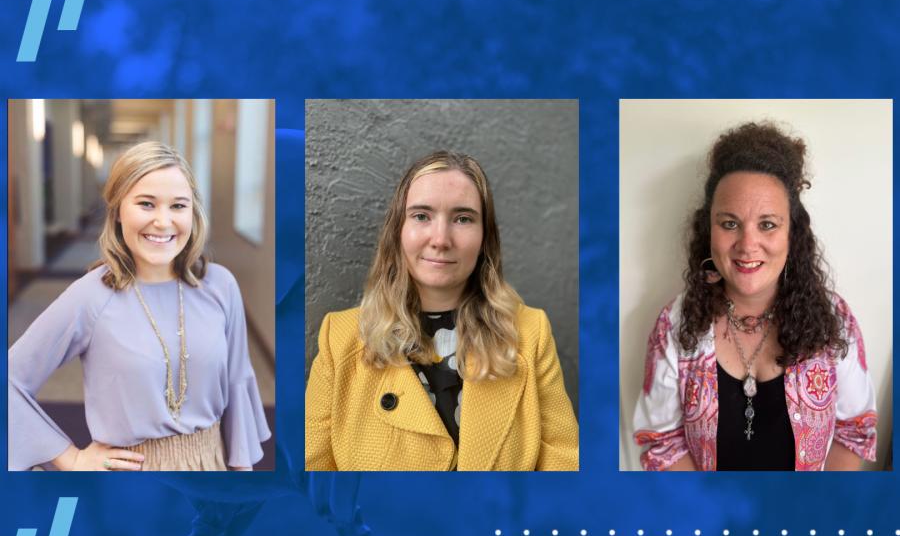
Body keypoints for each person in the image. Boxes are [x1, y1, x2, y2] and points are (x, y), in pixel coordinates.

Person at [305, 150, 578, 471]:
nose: (441, 239)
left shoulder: (531, 332)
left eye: (463, 218)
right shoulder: (340, 339)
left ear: (485, 237)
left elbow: (563, 469)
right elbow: (309, 487)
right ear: (398, 231)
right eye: (421, 216)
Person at [8, 141, 271, 471]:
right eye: (146, 204)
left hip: (212, 469)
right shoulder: (91, 296)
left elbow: (236, 388)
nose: (163, 222)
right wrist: (70, 458)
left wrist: (239, 496)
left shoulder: (220, 286)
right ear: (118, 210)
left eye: (178, 206)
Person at [633, 122, 877, 471]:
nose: (748, 245)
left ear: (792, 233)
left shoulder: (834, 321)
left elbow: (855, 431)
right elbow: (662, 443)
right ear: (709, 231)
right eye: (730, 223)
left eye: (767, 224)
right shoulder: (674, 326)